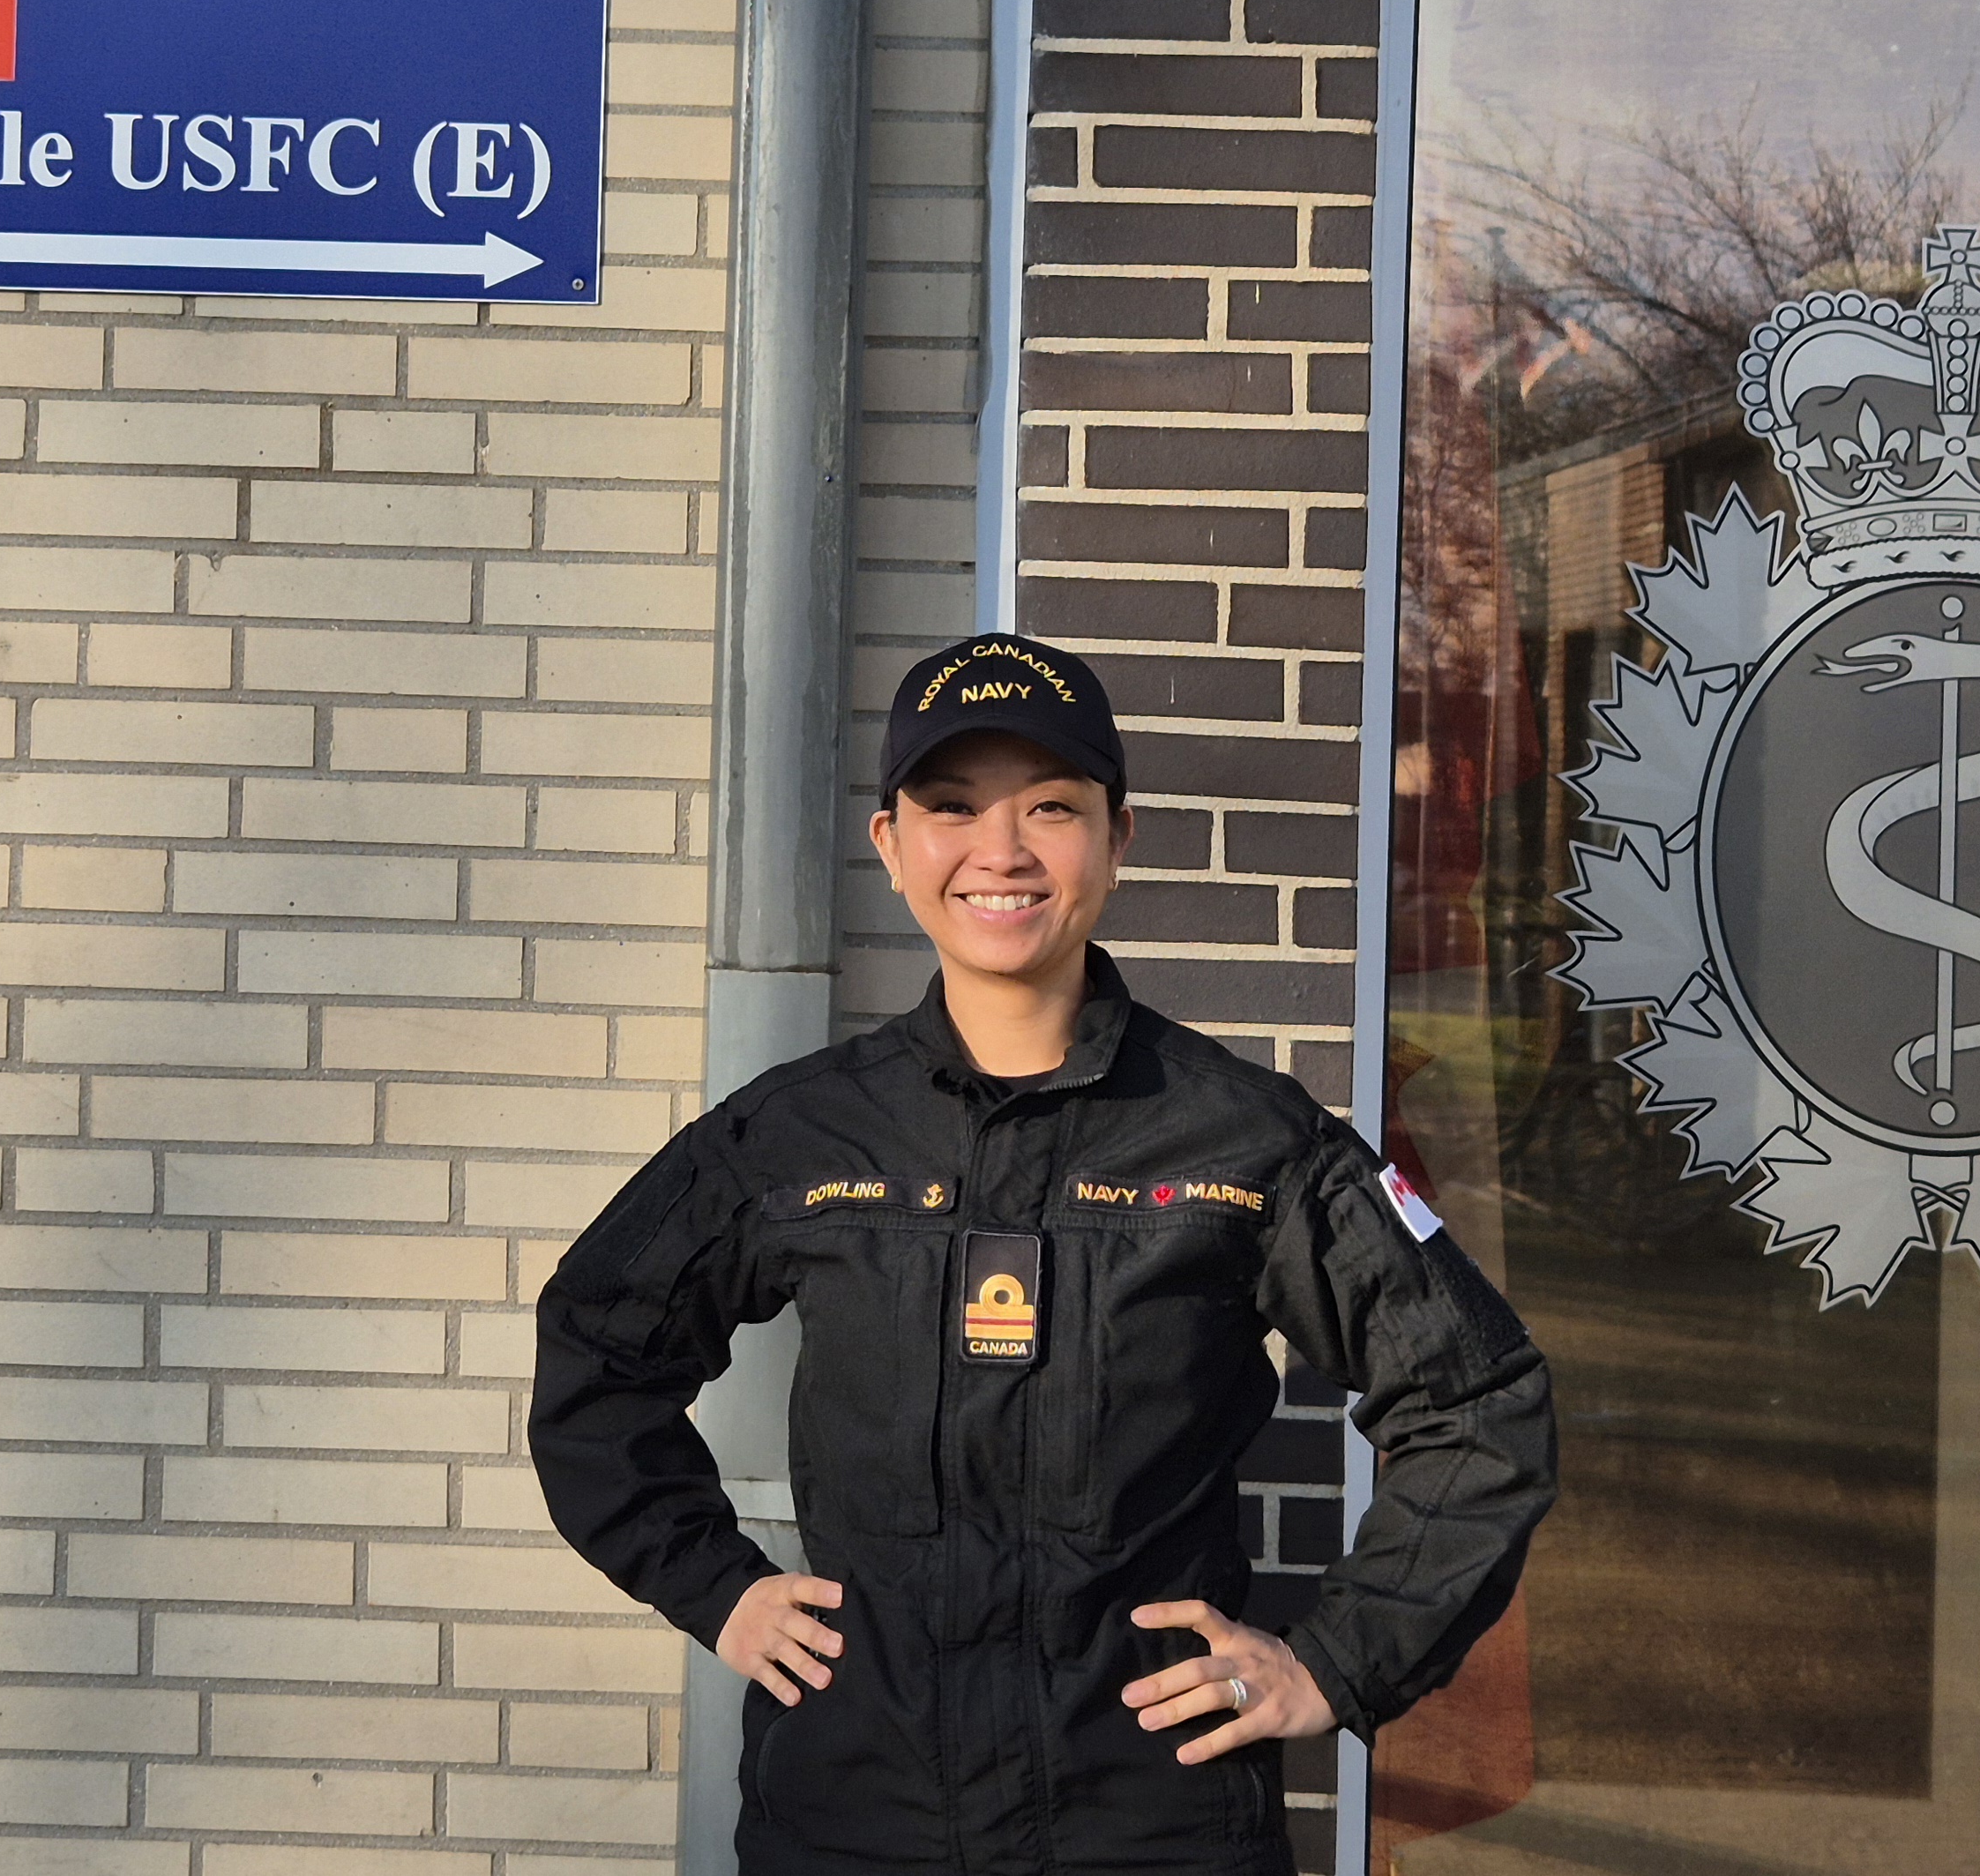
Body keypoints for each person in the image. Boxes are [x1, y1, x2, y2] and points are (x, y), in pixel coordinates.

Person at [530, 632, 1558, 1875]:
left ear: (1120, 839)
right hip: (858, 1816)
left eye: (1052, 808)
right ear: (893, 848)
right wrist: (717, 1587)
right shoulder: (793, 1131)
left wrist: (1340, 1663)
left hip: (1152, 1822)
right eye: (952, 808)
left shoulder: (1248, 1136)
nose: (1000, 852)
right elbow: (597, 1347)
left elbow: (1477, 1401)